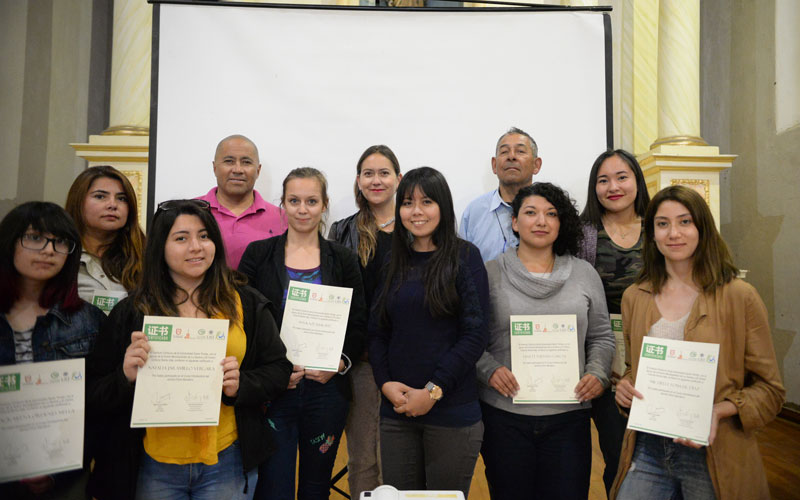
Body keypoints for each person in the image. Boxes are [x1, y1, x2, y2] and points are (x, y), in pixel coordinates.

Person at [85, 199, 292, 500]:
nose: (196, 246)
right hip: (152, 463)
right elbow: (94, 390)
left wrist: (241, 385)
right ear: (161, 247)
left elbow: (278, 369)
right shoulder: (133, 311)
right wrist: (125, 376)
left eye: (204, 236)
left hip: (227, 458)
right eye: (181, 238)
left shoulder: (245, 302)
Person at [612, 185, 785, 500]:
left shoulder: (738, 296)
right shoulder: (634, 297)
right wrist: (625, 386)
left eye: (685, 221)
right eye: (662, 224)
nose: (673, 233)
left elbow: (771, 390)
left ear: (702, 229)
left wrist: (719, 411)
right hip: (648, 447)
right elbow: (633, 369)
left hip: (713, 452)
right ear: (651, 234)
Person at [476, 182, 615, 500]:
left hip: (568, 416)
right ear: (514, 222)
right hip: (504, 417)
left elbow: (601, 336)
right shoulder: (488, 273)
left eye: (551, 214)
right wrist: (489, 370)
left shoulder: (584, 274)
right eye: (530, 213)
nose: (541, 221)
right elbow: (471, 338)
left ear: (561, 222)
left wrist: (597, 372)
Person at [238, 167, 367, 500]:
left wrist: (339, 363)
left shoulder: (344, 259)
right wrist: (273, 371)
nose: (302, 209)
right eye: (294, 200)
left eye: (311, 201)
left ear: (324, 205)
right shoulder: (258, 254)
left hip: (326, 390)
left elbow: (358, 320)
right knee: (273, 487)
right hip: (275, 391)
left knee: (315, 486)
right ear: (282, 204)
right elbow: (243, 320)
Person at [369, 167, 489, 497]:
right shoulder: (392, 259)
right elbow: (377, 331)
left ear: (443, 207)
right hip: (397, 410)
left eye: (427, 201)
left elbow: (475, 334)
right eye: (408, 202)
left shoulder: (465, 257)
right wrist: (385, 383)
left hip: (452, 411)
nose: (417, 211)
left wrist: (433, 390)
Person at [0, 202, 105, 499]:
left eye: (61, 243)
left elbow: (97, 408)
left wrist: (60, 470)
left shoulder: (88, 320)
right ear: (9, 243)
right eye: (35, 238)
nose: (49, 250)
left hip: (64, 475)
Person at [328, 145, 401, 498]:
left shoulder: (416, 225)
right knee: (362, 456)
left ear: (398, 179)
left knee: (401, 458)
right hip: (362, 361)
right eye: (368, 173)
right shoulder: (341, 231)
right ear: (358, 180)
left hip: (408, 359)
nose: (376, 180)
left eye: (384, 173)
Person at [577, 149, 650, 494]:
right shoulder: (582, 234)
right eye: (603, 180)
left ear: (637, 180)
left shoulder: (659, 227)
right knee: (617, 452)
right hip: (601, 358)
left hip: (651, 355)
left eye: (622, 177)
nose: (613, 187)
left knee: (652, 455)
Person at [197, 134, 287, 269]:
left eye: (246, 162)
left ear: (258, 170)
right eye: (229, 161)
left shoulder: (283, 219)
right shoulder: (190, 212)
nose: (238, 170)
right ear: (215, 167)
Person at [65, 165, 145, 306]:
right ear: (78, 201)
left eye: (122, 199)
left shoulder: (145, 255)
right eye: (100, 196)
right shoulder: (58, 253)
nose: (113, 205)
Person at [459, 127, 543, 262]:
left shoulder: (551, 211)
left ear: (536, 165)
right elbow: (462, 266)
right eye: (504, 152)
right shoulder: (474, 212)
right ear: (494, 165)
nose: (511, 156)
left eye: (520, 151)